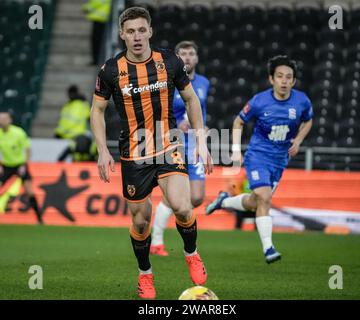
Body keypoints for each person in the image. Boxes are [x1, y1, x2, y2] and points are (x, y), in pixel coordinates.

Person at [90, 7, 213, 299]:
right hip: (133, 154)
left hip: (169, 145)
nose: (136, 37)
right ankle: (145, 274)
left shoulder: (169, 60)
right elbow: (97, 110)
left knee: (184, 206)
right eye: (130, 31)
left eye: (141, 30)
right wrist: (102, 151)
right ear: (122, 34)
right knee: (140, 221)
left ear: (150, 31)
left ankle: (191, 253)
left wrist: (201, 141)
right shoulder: (110, 70)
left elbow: (191, 99)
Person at [206, 55, 313, 264]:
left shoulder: (302, 101)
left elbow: (308, 120)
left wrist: (298, 140)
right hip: (257, 157)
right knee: (264, 197)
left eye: (288, 77)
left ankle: (223, 200)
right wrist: (236, 150)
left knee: (256, 202)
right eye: (280, 76)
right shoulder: (259, 101)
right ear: (271, 79)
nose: (284, 81)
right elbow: (238, 122)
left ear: (294, 81)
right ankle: (268, 248)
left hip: (280, 160)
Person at [150, 41, 210, 256]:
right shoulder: (168, 81)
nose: (187, 57)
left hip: (193, 143)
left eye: (191, 53)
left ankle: (174, 215)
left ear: (196, 58)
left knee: (196, 197)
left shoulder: (204, 83)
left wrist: (202, 127)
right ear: (176, 57)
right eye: (182, 53)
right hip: (172, 141)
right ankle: (156, 240)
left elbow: (199, 108)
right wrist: (177, 122)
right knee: (176, 194)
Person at [0, 110, 43, 224]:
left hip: (20, 165)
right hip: (6, 166)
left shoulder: (18, 133)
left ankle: (39, 218)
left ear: (10, 120)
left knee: (29, 191)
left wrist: (24, 164)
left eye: (4, 119)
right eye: (0, 119)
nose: (1, 121)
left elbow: (27, 149)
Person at [83, 0, 112, 65]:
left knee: (96, 41)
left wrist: (86, 8)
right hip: (103, 18)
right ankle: (97, 60)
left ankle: (96, 60)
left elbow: (97, 2)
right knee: (99, 41)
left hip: (100, 19)